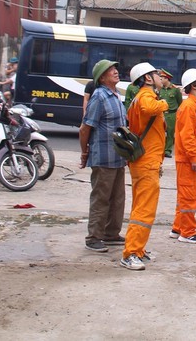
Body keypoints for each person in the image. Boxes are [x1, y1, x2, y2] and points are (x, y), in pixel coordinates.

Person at [120, 62, 169, 271]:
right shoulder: (147, 97)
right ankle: (131, 253)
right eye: (156, 74)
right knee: (144, 210)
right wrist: (165, 103)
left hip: (146, 160)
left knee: (140, 206)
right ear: (147, 79)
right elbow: (149, 108)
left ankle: (138, 249)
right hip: (146, 161)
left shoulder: (142, 96)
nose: (161, 77)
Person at [79, 59, 128, 254]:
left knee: (118, 198)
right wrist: (84, 153)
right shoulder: (99, 96)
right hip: (103, 157)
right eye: (111, 70)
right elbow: (85, 128)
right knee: (101, 198)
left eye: (116, 68)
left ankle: (111, 233)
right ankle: (93, 237)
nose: (116, 71)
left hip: (118, 157)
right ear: (102, 77)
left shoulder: (115, 96)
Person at [173, 68, 196, 244]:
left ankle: (178, 228)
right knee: (189, 197)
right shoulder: (189, 107)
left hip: (190, 159)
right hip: (188, 161)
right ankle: (187, 232)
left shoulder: (194, 106)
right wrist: (195, 158)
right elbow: (187, 137)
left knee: (184, 196)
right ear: (194, 86)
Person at [157, 69, 183, 158]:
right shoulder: (159, 89)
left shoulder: (175, 90)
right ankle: (160, 149)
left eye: (162, 78)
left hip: (172, 114)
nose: (160, 80)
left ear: (167, 79)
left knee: (170, 133)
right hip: (161, 114)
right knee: (159, 132)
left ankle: (167, 150)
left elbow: (180, 103)